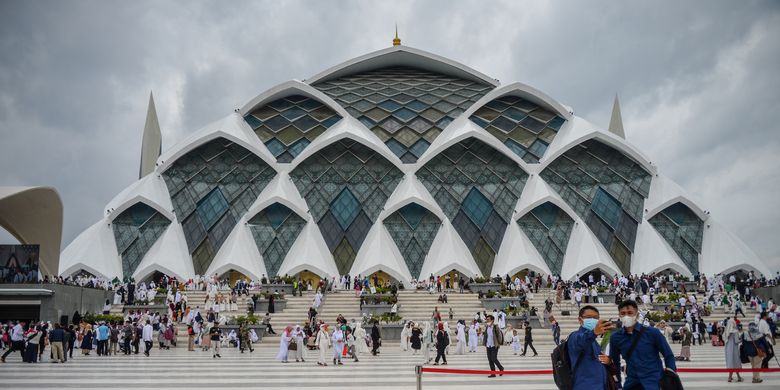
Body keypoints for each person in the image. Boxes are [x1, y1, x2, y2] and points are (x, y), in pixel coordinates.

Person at [609, 300, 676, 390]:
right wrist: (618, 385)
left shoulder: (653, 333)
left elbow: (668, 355)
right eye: (623, 313)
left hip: (654, 382)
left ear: (636, 314)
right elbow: (615, 363)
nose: (626, 316)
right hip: (632, 382)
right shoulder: (616, 337)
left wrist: (670, 375)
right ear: (619, 315)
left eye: (630, 313)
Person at [568, 305, 615, 390]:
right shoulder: (575, 336)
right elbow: (582, 341)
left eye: (596, 318)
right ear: (580, 320)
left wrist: (608, 361)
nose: (593, 320)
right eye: (589, 317)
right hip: (584, 386)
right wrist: (593, 333)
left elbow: (599, 360)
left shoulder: (593, 341)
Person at [723, 317, 743, 382]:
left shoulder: (726, 331)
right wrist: (741, 339)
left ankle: (732, 377)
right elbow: (737, 341)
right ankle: (736, 377)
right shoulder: (735, 331)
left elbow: (724, 339)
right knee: (735, 362)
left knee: (731, 362)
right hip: (734, 350)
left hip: (728, 349)